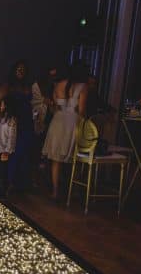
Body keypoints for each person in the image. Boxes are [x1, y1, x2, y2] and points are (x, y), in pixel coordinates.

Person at [42, 62, 89, 199]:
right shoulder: (82, 87)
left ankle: (55, 191)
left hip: (57, 122)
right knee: (75, 158)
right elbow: (81, 111)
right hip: (72, 123)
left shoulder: (57, 85)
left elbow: (54, 109)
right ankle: (72, 191)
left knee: (56, 160)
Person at [5, 60, 35, 192]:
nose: (21, 71)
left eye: (23, 69)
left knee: (25, 151)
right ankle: (10, 181)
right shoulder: (9, 86)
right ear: (14, 71)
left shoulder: (28, 86)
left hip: (27, 120)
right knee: (14, 151)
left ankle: (23, 183)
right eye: (19, 69)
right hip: (15, 120)